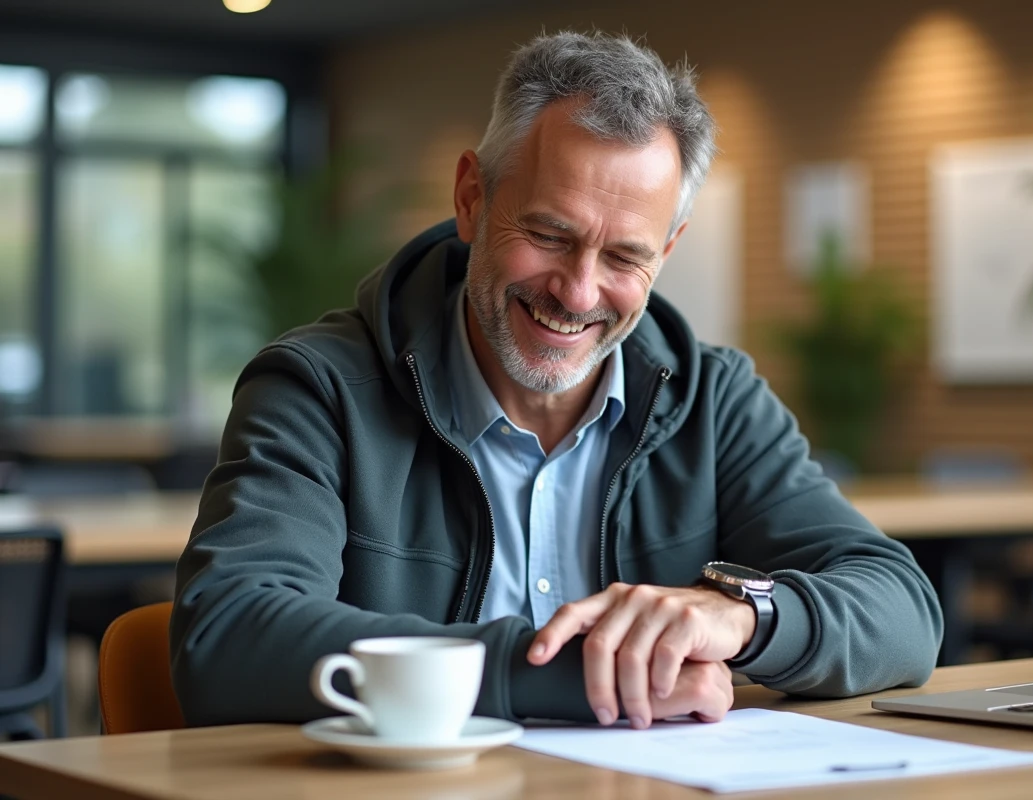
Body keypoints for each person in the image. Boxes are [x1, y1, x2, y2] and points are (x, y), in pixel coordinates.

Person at [170, 30, 942, 730]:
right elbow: (230, 635)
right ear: (473, 198)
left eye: (623, 258)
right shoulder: (318, 389)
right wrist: (573, 675)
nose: (577, 292)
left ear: (667, 251)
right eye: (547, 235)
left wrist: (740, 619)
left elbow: (905, 611)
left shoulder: (712, 398)